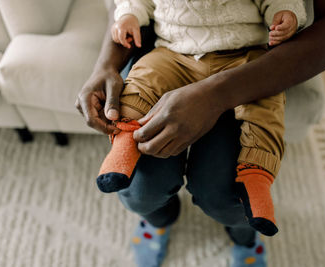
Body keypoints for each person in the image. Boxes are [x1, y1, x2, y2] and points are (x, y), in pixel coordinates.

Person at [75, 0, 325, 266]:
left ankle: (247, 225)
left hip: (243, 60)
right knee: (140, 190)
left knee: (227, 195)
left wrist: (284, 14)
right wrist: (108, 61)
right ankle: (156, 216)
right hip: (168, 52)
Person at [97, 0, 307, 239]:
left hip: (243, 55)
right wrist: (129, 16)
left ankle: (255, 181)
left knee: (265, 108)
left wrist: (286, 14)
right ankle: (126, 144)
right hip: (174, 52)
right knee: (143, 80)